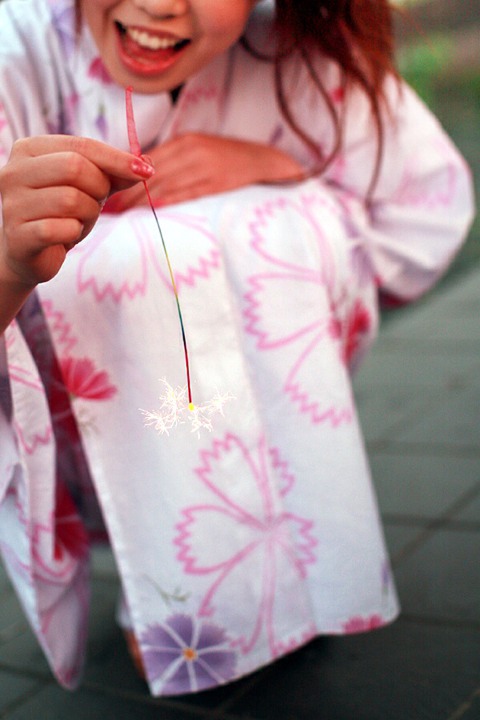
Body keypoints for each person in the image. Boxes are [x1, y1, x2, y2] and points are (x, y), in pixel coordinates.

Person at [0, 0, 474, 697]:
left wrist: (276, 166)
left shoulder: (302, 49)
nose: (159, 2)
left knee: (264, 223)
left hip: (247, 393)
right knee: (135, 257)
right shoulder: (17, 45)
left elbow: (420, 224)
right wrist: (10, 263)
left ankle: (275, 553)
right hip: (81, 403)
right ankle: (179, 584)